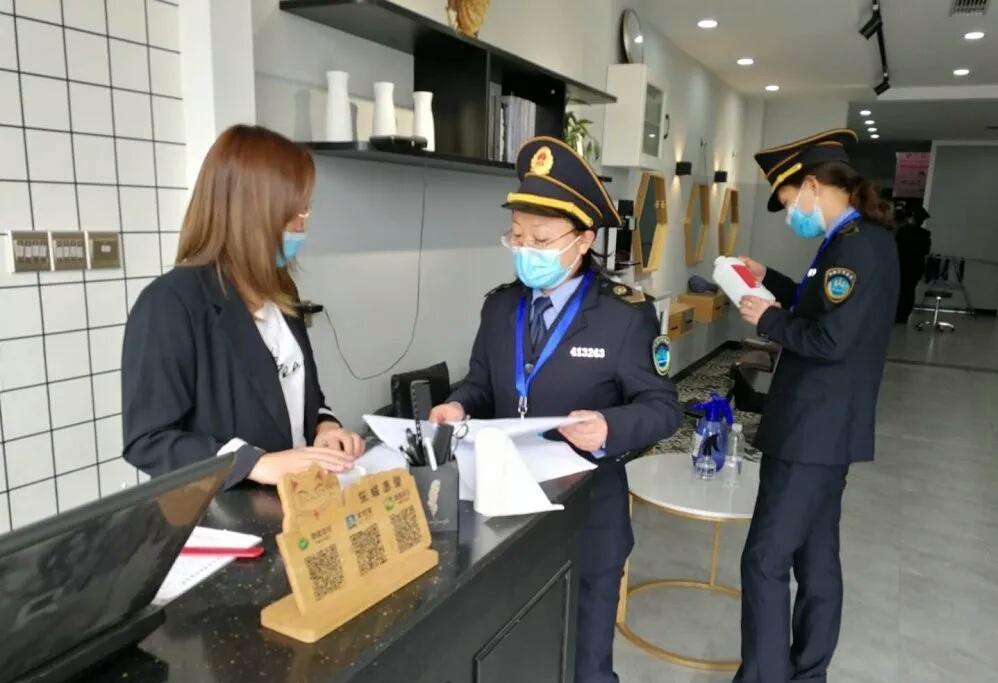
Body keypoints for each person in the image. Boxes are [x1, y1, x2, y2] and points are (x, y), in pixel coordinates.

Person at [428, 136, 681, 683]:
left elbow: (663, 408)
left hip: (588, 515)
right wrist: (456, 405)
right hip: (502, 510)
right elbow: (480, 383)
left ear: (584, 239)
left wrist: (609, 427)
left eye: (541, 239)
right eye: (517, 236)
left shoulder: (623, 316)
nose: (526, 250)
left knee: (586, 662)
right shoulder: (500, 307)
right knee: (516, 653)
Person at [735, 129, 899, 683]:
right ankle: (807, 673)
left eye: (788, 202)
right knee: (815, 556)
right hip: (828, 429)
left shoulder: (855, 246)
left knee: (764, 559)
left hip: (811, 429)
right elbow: (820, 303)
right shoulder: (858, 239)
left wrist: (767, 319)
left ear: (811, 185)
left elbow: (830, 339)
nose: (791, 215)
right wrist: (771, 281)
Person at [122, 125, 365, 489]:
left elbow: (297, 391)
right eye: (295, 212)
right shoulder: (170, 303)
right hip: (228, 509)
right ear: (253, 213)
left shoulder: (280, 289)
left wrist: (325, 426)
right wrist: (253, 463)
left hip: (300, 501)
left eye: (306, 210)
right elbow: (148, 440)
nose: (303, 225)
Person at [894, 205, 932, 323]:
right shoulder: (925, 234)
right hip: (916, 267)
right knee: (909, 292)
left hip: (901, 266)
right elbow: (925, 251)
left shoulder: (902, 231)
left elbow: (896, 248)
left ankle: (898, 314)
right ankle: (903, 316)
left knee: (900, 291)